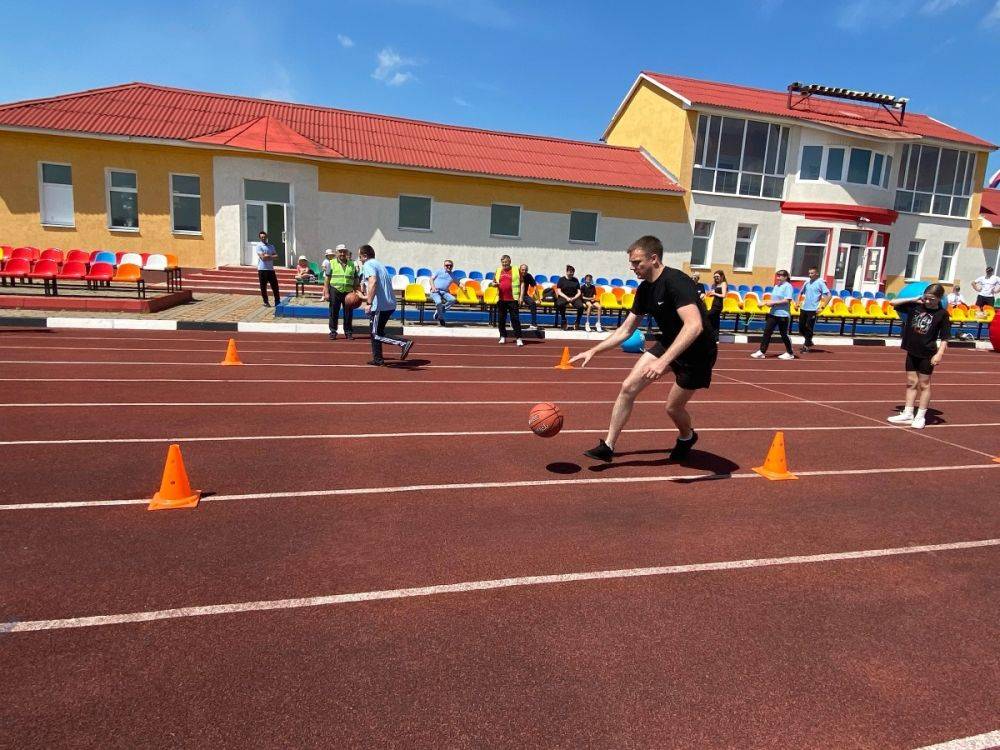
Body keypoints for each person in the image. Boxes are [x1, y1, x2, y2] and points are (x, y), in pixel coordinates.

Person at [571, 235, 718, 463]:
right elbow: (625, 330)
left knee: (672, 408)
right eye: (631, 263)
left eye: (637, 262)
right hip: (670, 342)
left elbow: (694, 326)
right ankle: (608, 446)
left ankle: (687, 436)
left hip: (697, 352)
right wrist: (593, 350)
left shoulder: (676, 282)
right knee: (628, 386)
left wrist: (662, 362)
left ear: (654, 259)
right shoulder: (645, 290)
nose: (633, 268)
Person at [886, 284, 950, 429]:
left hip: (927, 353)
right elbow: (892, 303)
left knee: (924, 384)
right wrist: (914, 299)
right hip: (911, 350)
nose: (928, 302)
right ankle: (908, 413)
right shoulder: (915, 307)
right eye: (926, 298)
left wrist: (939, 353)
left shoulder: (942, 314)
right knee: (910, 382)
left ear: (940, 299)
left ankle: (920, 416)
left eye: (932, 299)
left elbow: (945, 337)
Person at [359, 245, 413, 366]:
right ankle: (378, 359)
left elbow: (373, 282)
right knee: (376, 331)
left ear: (365, 256)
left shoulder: (368, 265)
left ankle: (403, 343)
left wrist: (368, 303)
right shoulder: (379, 265)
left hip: (380, 306)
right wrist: (365, 297)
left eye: (360, 257)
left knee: (376, 334)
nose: (360, 260)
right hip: (389, 304)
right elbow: (379, 287)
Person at [750, 270, 795, 360]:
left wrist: (772, 302)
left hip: (783, 315)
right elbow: (773, 300)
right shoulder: (776, 286)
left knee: (784, 334)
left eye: (780, 276)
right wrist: (764, 303)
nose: (778, 278)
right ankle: (762, 352)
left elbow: (787, 300)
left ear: (786, 277)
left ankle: (790, 353)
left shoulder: (788, 286)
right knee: (767, 332)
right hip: (773, 313)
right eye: (777, 276)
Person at [324, 244, 359, 341]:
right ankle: (333, 331)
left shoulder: (352, 264)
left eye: (344, 251)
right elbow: (327, 279)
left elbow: (356, 278)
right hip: (335, 290)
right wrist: (326, 292)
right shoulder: (331, 263)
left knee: (348, 313)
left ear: (347, 252)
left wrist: (357, 291)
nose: (342, 253)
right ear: (336, 253)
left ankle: (348, 332)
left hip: (348, 292)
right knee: (333, 312)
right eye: (340, 251)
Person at [490, 255, 524, 346]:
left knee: (515, 319)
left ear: (510, 261)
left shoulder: (516, 269)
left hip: (513, 299)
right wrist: (494, 284)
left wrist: (521, 297)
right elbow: (493, 282)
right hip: (501, 299)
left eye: (506, 262)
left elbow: (522, 283)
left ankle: (519, 338)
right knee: (501, 319)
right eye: (503, 262)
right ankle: (502, 337)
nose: (504, 264)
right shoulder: (498, 271)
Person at [797, 267, 830, 353]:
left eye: (812, 273)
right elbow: (800, 292)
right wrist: (797, 302)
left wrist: (822, 307)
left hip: (813, 309)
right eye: (809, 273)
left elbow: (829, 296)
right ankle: (809, 340)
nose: (810, 275)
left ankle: (806, 345)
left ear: (816, 274)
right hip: (804, 308)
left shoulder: (820, 283)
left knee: (809, 327)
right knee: (801, 328)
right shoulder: (807, 282)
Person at [429, 260, 459, 326]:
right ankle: (441, 317)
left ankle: (439, 310)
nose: (448, 267)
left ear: (452, 266)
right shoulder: (439, 271)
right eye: (447, 265)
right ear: (444, 266)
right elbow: (431, 279)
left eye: (450, 265)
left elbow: (458, 283)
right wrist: (433, 288)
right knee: (439, 302)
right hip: (435, 291)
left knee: (453, 299)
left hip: (445, 292)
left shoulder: (452, 275)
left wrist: (464, 287)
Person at [555, 265, 584, 330]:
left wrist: (574, 298)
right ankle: (563, 320)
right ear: (566, 272)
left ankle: (577, 321)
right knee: (559, 304)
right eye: (570, 272)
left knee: (581, 307)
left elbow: (579, 292)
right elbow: (559, 291)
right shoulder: (561, 279)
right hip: (564, 296)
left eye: (572, 272)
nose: (571, 273)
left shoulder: (575, 280)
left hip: (574, 297)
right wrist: (567, 298)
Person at [256, 231, 280, 307]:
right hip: (262, 269)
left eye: (264, 237)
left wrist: (268, 256)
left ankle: (277, 301)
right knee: (263, 287)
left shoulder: (271, 246)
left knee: (275, 286)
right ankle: (266, 302)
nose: (263, 238)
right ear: (260, 238)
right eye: (262, 237)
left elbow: (276, 256)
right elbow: (263, 258)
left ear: (267, 237)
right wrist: (270, 256)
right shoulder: (259, 246)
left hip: (270, 269)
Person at [705, 270, 728, 342]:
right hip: (714, 304)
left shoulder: (723, 284)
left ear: (722, 276)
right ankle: (715, 338)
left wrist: (714, 294)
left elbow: (723, 295)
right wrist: (710, 294)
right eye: (714, 277)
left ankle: (707, 334)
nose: (716, 278)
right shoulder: (715, 284)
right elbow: (713, 294)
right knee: (715, 321)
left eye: (717, 276)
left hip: (718, 305)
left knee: (706, 315)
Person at [518, 264, 539, 329]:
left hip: (524, 296)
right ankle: (513, 322)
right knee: (512, 304)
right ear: (520, 269)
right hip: (515, 295)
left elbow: (535, 286)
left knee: (533, 303)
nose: (524, 271)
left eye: (526, 270)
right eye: (522, 270)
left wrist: (538, 298)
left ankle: (533, 323)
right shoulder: (516, 275)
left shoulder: (528, 276)